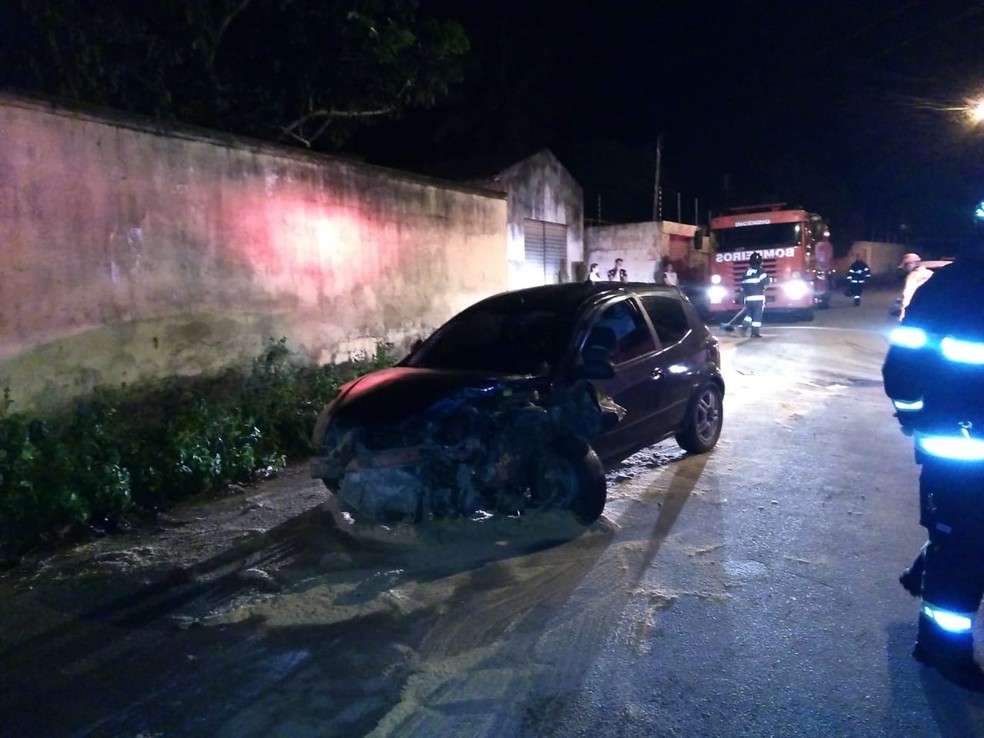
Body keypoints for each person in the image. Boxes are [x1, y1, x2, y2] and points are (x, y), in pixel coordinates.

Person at [883, 250, 984, 690]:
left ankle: (928, 578)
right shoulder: (949, 288)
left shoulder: (945, 287)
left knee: (959, 544)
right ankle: (946, 652)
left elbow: (901, 368)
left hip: (952, 447)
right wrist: (914, 416)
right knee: (965, 553)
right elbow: (903, 365)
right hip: (959, 454)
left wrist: (912, 417)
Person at [728, 252, 771, 337]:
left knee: (749, 315)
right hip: (758, 298)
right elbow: (766, 281)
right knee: (757, 315)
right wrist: (771, 280)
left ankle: (743, 328)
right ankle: (754, 332)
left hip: (748, 299)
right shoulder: (760, 271)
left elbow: (743, 285)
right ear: (760, 262)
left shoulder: (746, 272)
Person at [898, 252, 934, 321]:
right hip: (927, 309)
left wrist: (904, 310)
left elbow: (909, 294)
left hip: (916, 310)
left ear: (912, 264)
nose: (905, 268)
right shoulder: (929, 273)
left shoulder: (914, 276)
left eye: (906, 265)